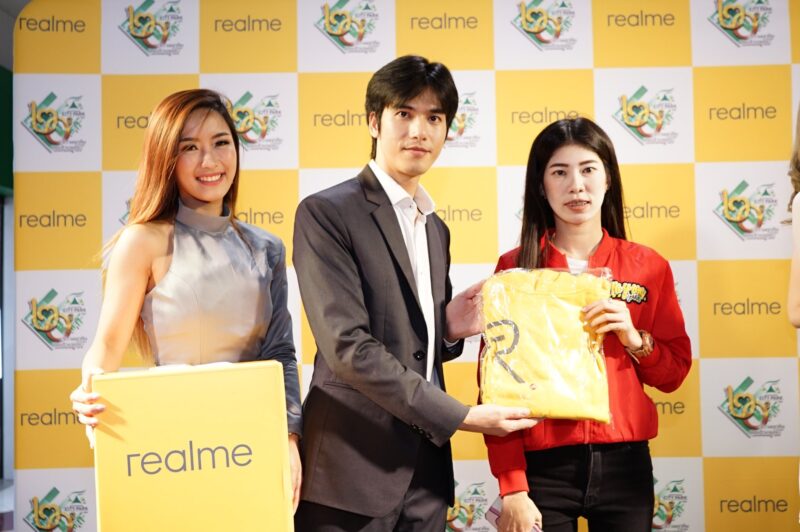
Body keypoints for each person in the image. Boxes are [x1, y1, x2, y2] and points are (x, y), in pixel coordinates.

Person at [292, 55, 538, 530]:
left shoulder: (435, 228)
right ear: (374, 121)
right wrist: (461, 415)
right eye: (404, 114)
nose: (419, 131)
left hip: (426, 476)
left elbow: (414, 346)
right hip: (350, 468)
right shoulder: (326, 213)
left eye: (434, 118)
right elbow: (348, 348)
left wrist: (448, 329)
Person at [68, 89, 304, 507]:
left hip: (252, 442)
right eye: (189, 148)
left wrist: (289, 439)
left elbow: (281, 354)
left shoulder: (266, 247)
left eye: (221, 143)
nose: (209, 161)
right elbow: (106, 345)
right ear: (166, 158)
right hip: (173, 447)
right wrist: (91, 393)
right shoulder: (143, 241)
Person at [485, 117, 692, 532]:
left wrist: (634, 339)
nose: (576, 186)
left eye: (588, 169)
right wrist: (513, 488)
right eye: (559, 172)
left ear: (608, 178)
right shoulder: (515, 270)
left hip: (626, 468)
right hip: (543, 469)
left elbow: (673, 375)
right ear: (541, 186)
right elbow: (495, 387)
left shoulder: (648, 266)